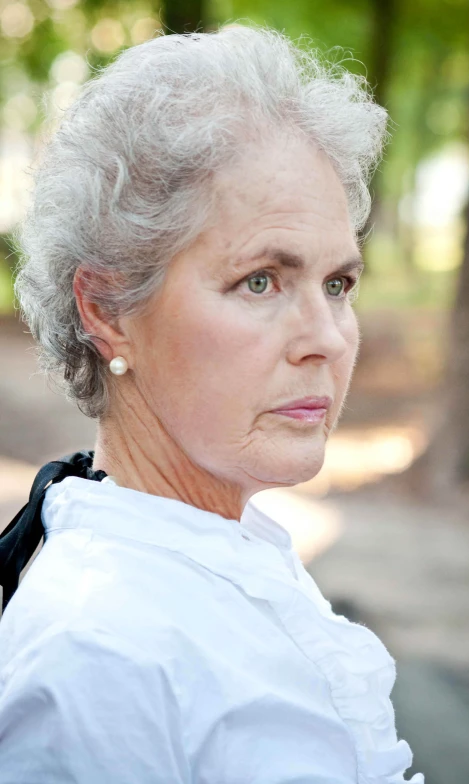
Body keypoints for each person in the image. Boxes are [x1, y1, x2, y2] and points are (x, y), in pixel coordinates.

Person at [0, 25, 423, 784]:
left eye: (337, 283)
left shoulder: (221, 556)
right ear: (107, 310)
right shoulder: (98, 654)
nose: (325, 338)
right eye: (260, 280)